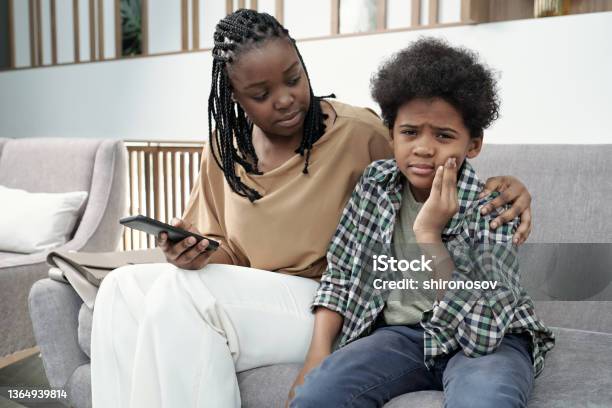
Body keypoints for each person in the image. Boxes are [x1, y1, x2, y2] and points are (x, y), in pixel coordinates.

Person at [91, 11, 535, 408]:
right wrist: (192, 253)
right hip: (385, 327)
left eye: (292, 78)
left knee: (178, 296)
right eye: (261, 92)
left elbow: (482, 326)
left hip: (454, 329)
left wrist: (453, 221)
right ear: (235, 98)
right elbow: (312, 266)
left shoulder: (363, 136)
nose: (284, 99)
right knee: (121, 286)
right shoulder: (366, 181)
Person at [289, 38, 556, 408]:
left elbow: (484, 334)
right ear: (391, 134)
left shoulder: (492, 207)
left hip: (485, 340)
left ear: (473, 144)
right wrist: (317, 356)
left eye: (444, 136)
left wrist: (429, 235)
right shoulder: (375, 184)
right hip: (405, 336)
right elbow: (341, 274)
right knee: (316, 396)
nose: (424, 148)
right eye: (410, 132)